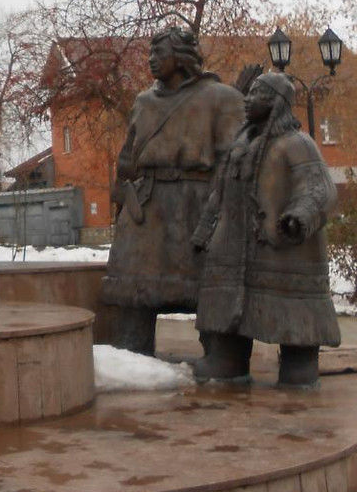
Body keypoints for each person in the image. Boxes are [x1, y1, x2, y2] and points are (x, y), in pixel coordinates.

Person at [100, 27, 245, 354]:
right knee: (134, 286)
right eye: (150, 53)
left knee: (206, 285)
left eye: (159, 53)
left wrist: (220, 207)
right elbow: (128, 155)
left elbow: (233, 159)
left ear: (180, 57)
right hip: (147, 205)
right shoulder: (143, 101)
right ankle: (132, 354)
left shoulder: (221, 98)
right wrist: (123, 196)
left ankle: (222, 357)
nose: (151, 59)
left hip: (195, 202)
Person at [192, 73, 340, 387]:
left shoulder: (298, 144)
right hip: (233, 244)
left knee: (294, 319)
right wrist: (205, 230)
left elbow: (320, 188)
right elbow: (219, 192)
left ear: (275, 102)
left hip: (282, 244)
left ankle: (299, 358)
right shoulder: (239, 145)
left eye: (257, 93)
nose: (247, 99)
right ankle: (229, 357)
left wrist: (300, 215)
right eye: (248, 93)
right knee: (227, 308)